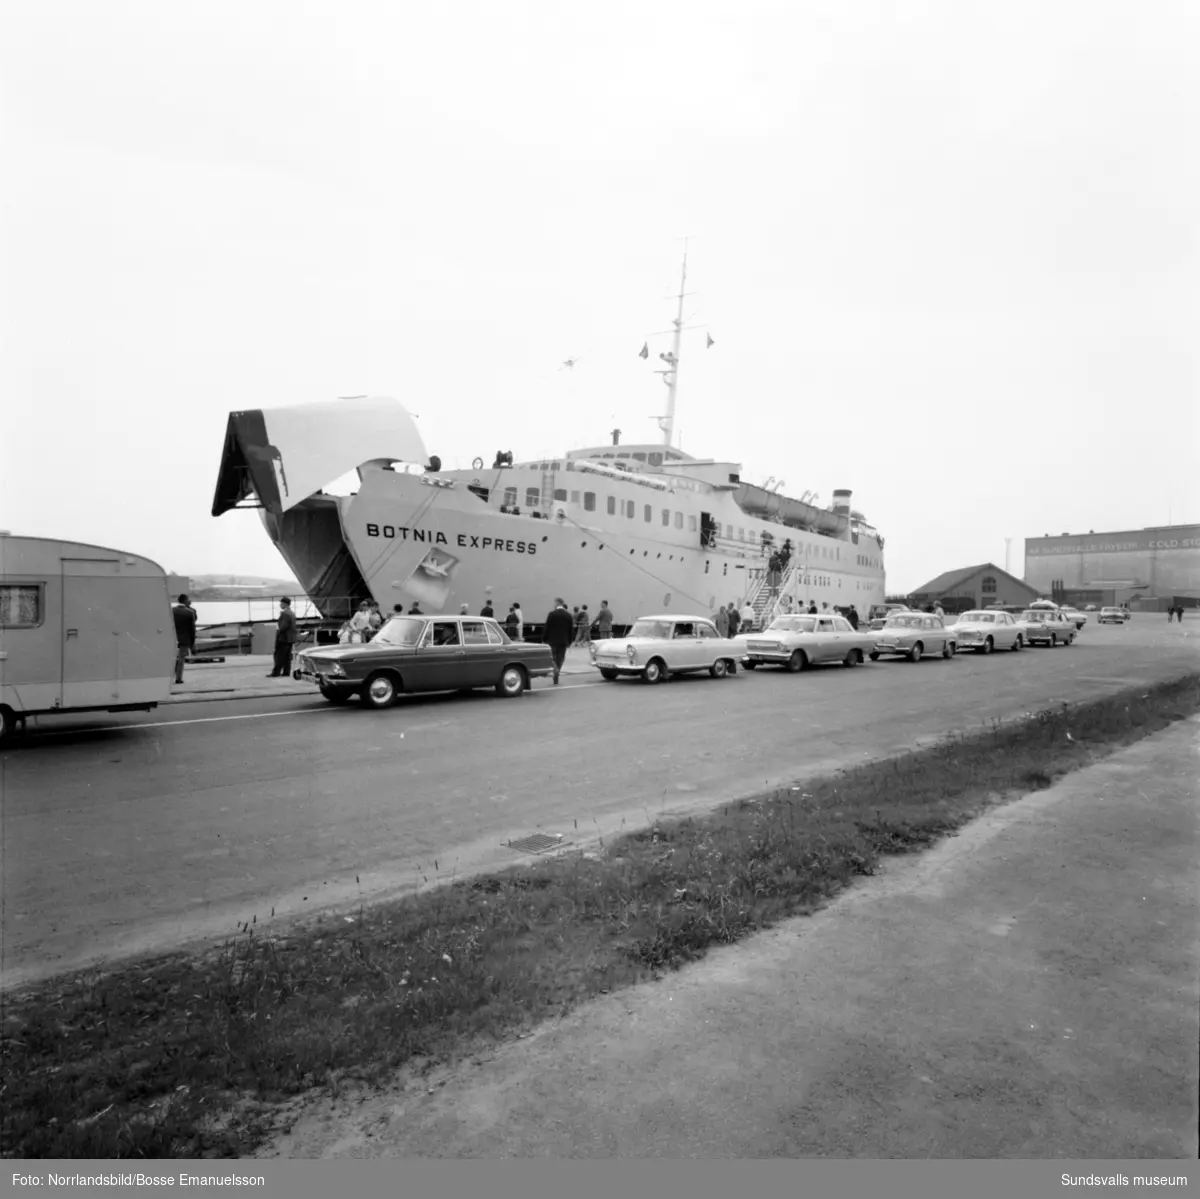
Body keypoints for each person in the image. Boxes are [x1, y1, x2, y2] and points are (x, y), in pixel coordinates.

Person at [543, 598, 575, 685]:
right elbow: (571, 630)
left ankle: (555, 670)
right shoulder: (568, 615)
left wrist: (544, 639)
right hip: (564, 641)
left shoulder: (551, 614)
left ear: (557, 603)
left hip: (552, 641)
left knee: (552, 658)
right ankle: (557, 672)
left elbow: (547, 628)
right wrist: (570, 641)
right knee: (560, 659)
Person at [172, 593, 198, 684]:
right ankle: (178, 678)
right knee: (181, 659)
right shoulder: (190, 612)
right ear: (186, 600)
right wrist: (192, 643)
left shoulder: (171, 611)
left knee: (173, 658)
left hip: (172, 638)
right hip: (185, 639)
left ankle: (172, 675)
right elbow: (192, 629)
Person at [268, 598, 297, 677]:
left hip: (284, 638)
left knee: (279, 656)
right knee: (287, 656)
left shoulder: (285, 614)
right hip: (290, 638)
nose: (280, 605)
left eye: (281, 603)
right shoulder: (291, 613)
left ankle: (276, 672)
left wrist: (278, 633)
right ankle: (286, 672)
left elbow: (283, 627)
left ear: (285, 604)